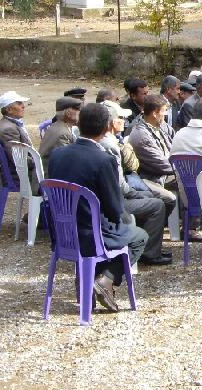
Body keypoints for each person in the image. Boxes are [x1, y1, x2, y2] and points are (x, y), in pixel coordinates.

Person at [48, 103, 149, 312]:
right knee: (138, 236)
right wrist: (124, 217)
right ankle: (105, 280)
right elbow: (114, 208)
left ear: (79, 124)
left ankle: (89, 280)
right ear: (106, 129)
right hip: (91, 236)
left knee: (109, 228)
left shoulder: (57, 155)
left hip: (63, 233)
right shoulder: (104, 160)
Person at [99, 100, 171, 267]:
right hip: (114, 202)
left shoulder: (111, 140)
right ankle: (148, 252)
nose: (124, 122)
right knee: (158, 204)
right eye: (121, 118)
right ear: (111, 122)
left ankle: (147, 245)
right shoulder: (111, 145)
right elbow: (121, 186)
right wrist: (138, 193)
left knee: (157, 197)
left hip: (110, 197)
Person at [129, 94, 177, 217]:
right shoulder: (141, 135)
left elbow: (176, 144)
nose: (165, 115)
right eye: (163, 111)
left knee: (195, 178)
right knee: (192, 181)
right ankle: (191, 225)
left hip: (170, 172)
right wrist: (182, 168)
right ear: (155, 113)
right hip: (154, 177)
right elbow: (163, 165)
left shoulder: (162, 127)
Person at [0, 91, 36, 191]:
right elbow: (20, 160)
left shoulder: (9, 124)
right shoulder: (8, 129)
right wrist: (41, 162)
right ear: (9, 109)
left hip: (22, 173)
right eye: (19, 103)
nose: (23, 106)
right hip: (21, 178)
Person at [40, 97, 82, 174]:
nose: (79, 112)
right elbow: (67, 162)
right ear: (68, 114)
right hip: (50, 179)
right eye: (77, 109)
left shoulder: (56, 126)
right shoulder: (63, 134)